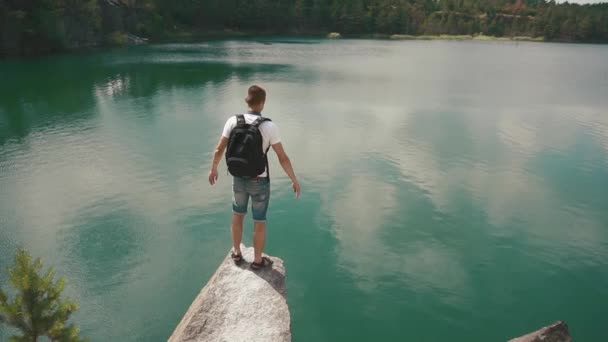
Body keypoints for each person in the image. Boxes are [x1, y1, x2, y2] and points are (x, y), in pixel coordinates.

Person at [208, 85, 300, 269]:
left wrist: (213, 169)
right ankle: (257, 261)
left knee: (237, 215)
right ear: (263, 103)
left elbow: (219, 149)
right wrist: (294, 179)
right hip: (260, 181)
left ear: (246, 101)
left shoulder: (233, 121)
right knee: (259, 221)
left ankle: (236, 253)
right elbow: (283, 157)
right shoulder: (269, 126)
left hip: (238, 178)